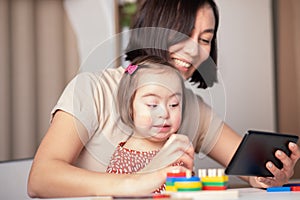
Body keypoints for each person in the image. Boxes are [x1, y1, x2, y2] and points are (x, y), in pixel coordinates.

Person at [27, 0, 300, 198]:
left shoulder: (193, 108)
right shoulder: (92, 88)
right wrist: (138, 182)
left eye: (205, 39)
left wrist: (268, 174)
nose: (194, 49)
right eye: (184, 32)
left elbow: (249, 167)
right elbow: (40, 179)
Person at [106, 55, 186, 194]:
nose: (165, 113)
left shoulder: (177, 151)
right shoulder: (124, 161)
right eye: (153, 105)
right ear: (130, 107)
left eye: (174, 104)